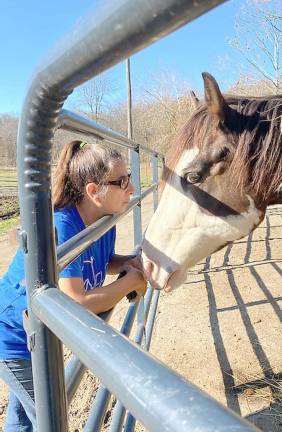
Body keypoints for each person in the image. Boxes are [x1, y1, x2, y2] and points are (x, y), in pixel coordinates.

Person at [0, 140, 147, 431]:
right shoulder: (63, 227)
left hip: (40, 330)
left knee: (22, 415)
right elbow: (75, 302)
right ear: (93, 191)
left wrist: (131, 262)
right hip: (15, 335)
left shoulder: (105, 219)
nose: (131, 188)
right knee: (50, 418)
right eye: (123, 181)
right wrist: (131, 281)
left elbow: (101, 262)